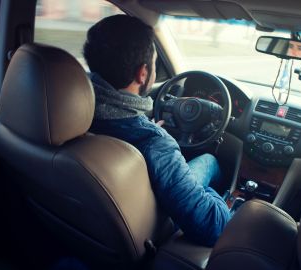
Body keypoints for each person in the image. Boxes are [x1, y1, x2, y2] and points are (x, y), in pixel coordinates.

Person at [82, 15, 231, 246]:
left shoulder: (74, 111)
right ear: (143, 73)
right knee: (210, 161)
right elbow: (214, 227)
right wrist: (220, 201)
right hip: (153, 227)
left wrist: (151, 130)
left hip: (93, 226)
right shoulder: (154, 143)